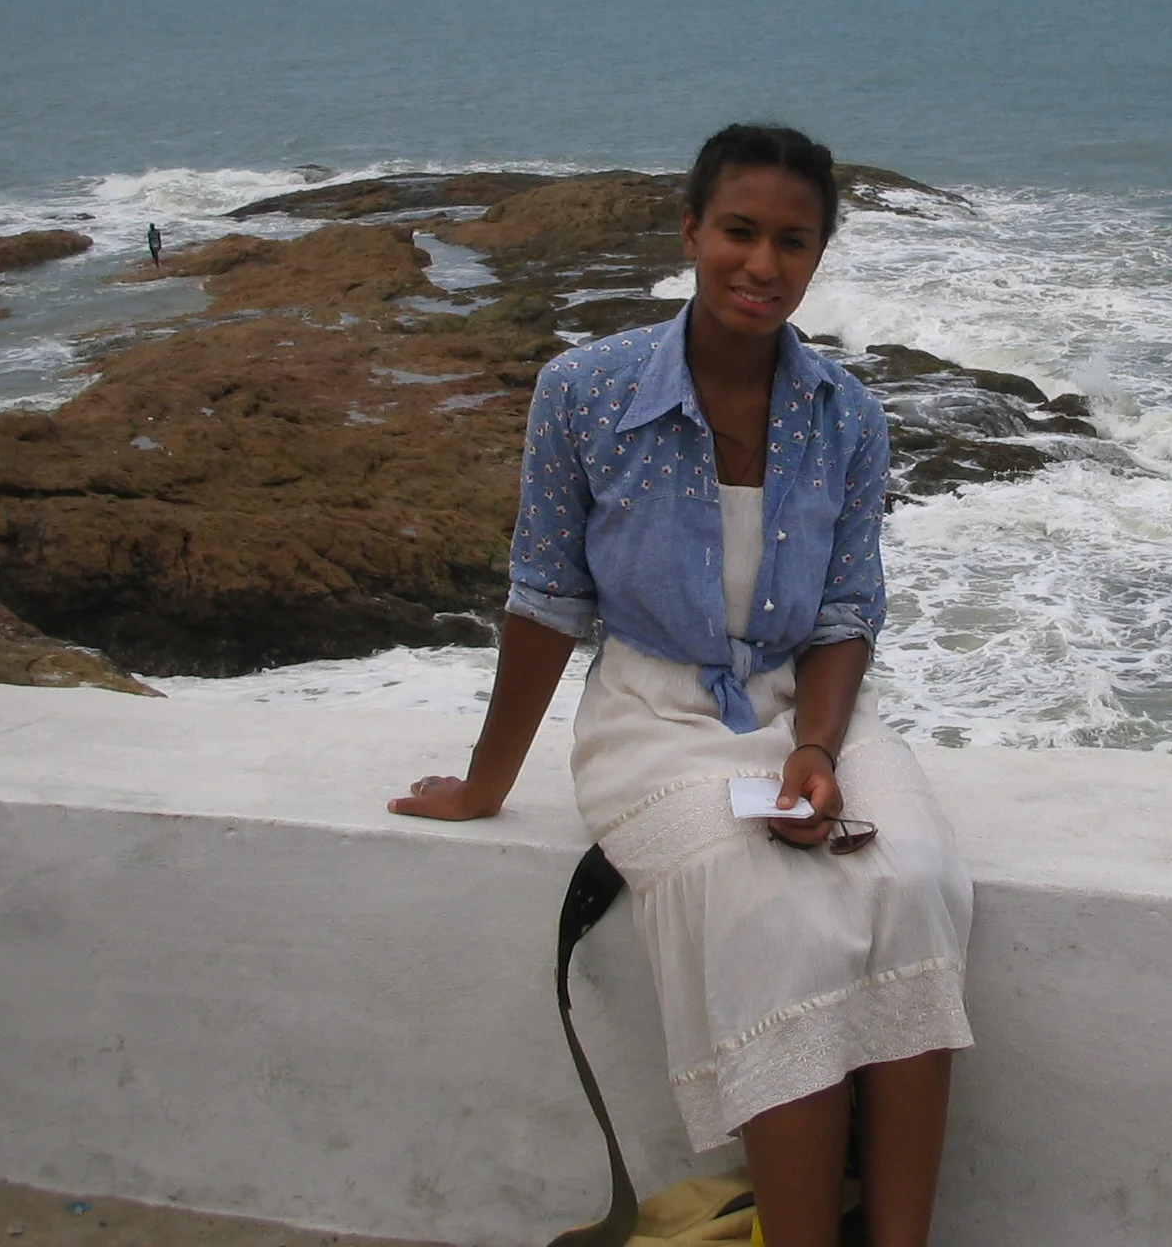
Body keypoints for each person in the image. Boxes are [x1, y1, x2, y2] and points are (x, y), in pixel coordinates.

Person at [391, 125, 973, 1247]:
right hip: (652, 721)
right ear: (691, 230)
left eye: (792, 242)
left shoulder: (847, 415)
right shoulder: (585, 392)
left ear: (819, 255)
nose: (762, 264)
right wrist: (482, 783)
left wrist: (813, 747)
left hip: (807, 709)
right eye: (740, 232)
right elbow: (545, 600)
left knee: (918, 883)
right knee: (765, 912)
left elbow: (849, 611)